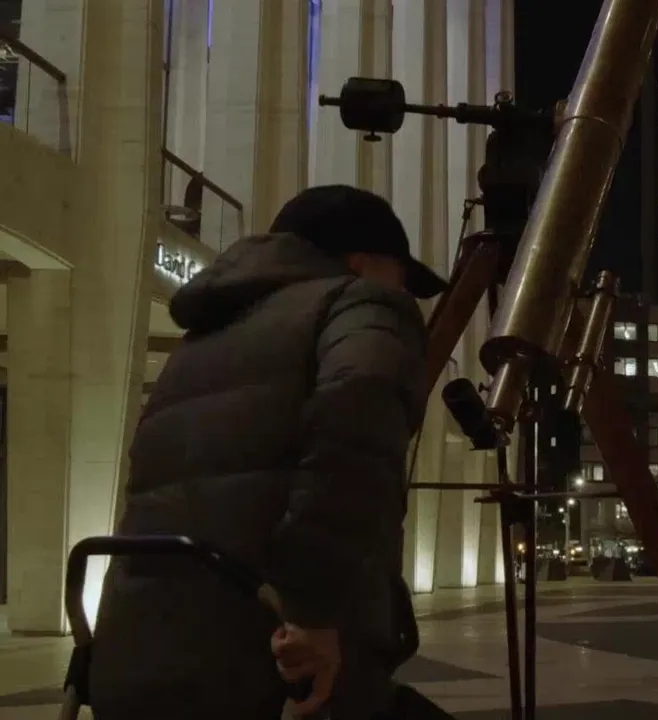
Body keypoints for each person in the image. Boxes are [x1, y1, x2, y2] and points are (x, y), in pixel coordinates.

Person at [88, 185, 449, 719]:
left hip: (139, 655)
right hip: (270, 659)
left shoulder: (205, 334)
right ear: (360, 261)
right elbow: (354, 448)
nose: (405, 293)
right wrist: (313, 611)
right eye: (401, 275)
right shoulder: (360, 303)